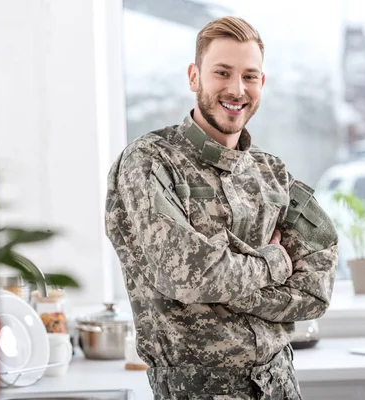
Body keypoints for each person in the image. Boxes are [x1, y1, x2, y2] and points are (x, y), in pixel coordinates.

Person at [105, 16, 338, 400]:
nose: (236, 89)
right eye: (222, 73)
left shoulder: (272, 172)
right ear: (194, 76)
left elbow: (315, 291)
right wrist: (273, 264)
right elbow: (187, 276)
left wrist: (225, 285)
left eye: (249, 76)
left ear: (261, 83)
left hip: (281, 384)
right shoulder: (150, 163)